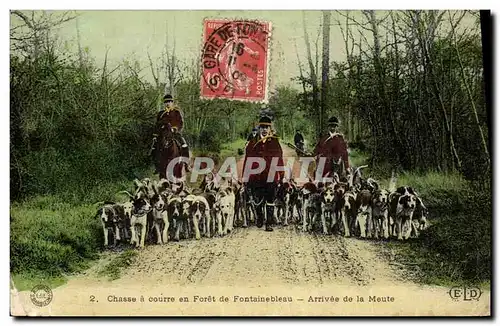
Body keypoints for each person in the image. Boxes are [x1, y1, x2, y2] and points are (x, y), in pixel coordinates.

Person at [243, 115, 285, 232]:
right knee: (257, 199)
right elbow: (247, 159)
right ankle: (260, 216)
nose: (265, 130)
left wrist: (281, 174)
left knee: (270, 198)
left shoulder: (275, 142)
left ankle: (269, 223)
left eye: (267, 127)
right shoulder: (253, 142)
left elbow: (279, 158)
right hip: (255, 176)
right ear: (259, 128)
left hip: (270, 175)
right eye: (262, 127)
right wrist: (245, 176)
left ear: (270, 129)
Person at [152, 94, 191, 174]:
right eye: (166, 102)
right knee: (154, 148)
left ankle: (186, 164)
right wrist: (155, 135)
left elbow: (180, 123)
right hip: (163, 134)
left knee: (184, 145)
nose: (167, 103)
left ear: (172, 102)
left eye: (169, 102)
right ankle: (157, 167)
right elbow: (157, 125)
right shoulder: (161, 114)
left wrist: (175, 128)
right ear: (164, 103)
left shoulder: (176, 113)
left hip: (174, 133)